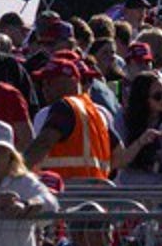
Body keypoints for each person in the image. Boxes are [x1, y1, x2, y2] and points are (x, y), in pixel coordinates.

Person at [26, 55, 114, 183]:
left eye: (49, 82)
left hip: (66, 192)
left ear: (70, 82)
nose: (44, 88)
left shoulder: (64, 107)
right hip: (96, 192)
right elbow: (119, 157)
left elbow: (43, 143)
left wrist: (15, 172)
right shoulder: (96, 112)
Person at [110, 70, 162, 185]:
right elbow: (118, 162)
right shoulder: (124, 119)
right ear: (143, 98)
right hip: (132, 187)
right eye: (157, 96)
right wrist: (140, 142)